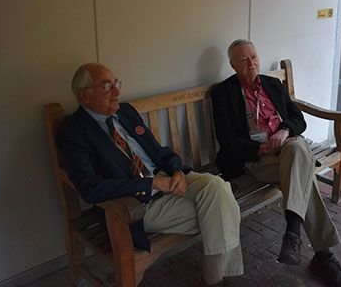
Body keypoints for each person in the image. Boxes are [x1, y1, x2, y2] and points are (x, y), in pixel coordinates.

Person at [58, 63, 243, 287]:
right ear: (84, 95)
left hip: (168, 179)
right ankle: (217, 280)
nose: (117, 91)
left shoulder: (125, 112)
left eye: (116, 83)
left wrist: (176, 170)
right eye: (107, 86)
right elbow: (90, 187)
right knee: (223, 208)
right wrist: (151, 183)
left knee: (218, 187)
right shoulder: (74, 131)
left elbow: (158, 150)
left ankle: (216, 280)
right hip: (136, 203)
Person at [211, 40, 341, 287]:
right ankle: (321, 253)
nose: (251, 63)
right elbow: (227, 142)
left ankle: (295, 235)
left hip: (288, 151)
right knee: (302, 165)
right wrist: (262, 147)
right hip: (257, 160)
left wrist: (285, 131)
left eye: (254, 56)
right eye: (243, 60)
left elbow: (298, 119)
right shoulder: (223, 93)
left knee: (296, 148)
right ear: (233, 65)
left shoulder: (273, 84)